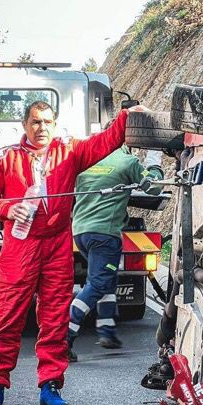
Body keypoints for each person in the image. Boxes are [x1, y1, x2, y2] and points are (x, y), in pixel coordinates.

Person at [0, 99, 145, 405]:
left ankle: (51, 384)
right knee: (7, 317)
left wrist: (125, 118)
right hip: (20, 247)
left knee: (55, 317)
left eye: (47, 122)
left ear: (54, 125)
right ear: (25, 125)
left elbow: (105, 141)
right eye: (36, 122)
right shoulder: (2, 158)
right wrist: (8, 208)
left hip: (57, 244)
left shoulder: (70, 151)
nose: (42, 128)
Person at [68, 146, 163, 359]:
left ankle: (107, 331)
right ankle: (64, 336)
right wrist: (155, 161)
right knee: (99, 283)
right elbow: (154, 187)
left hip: (81, 232)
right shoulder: (127, 162)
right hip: (105, 234)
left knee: (106, 279)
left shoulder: (91, 158)